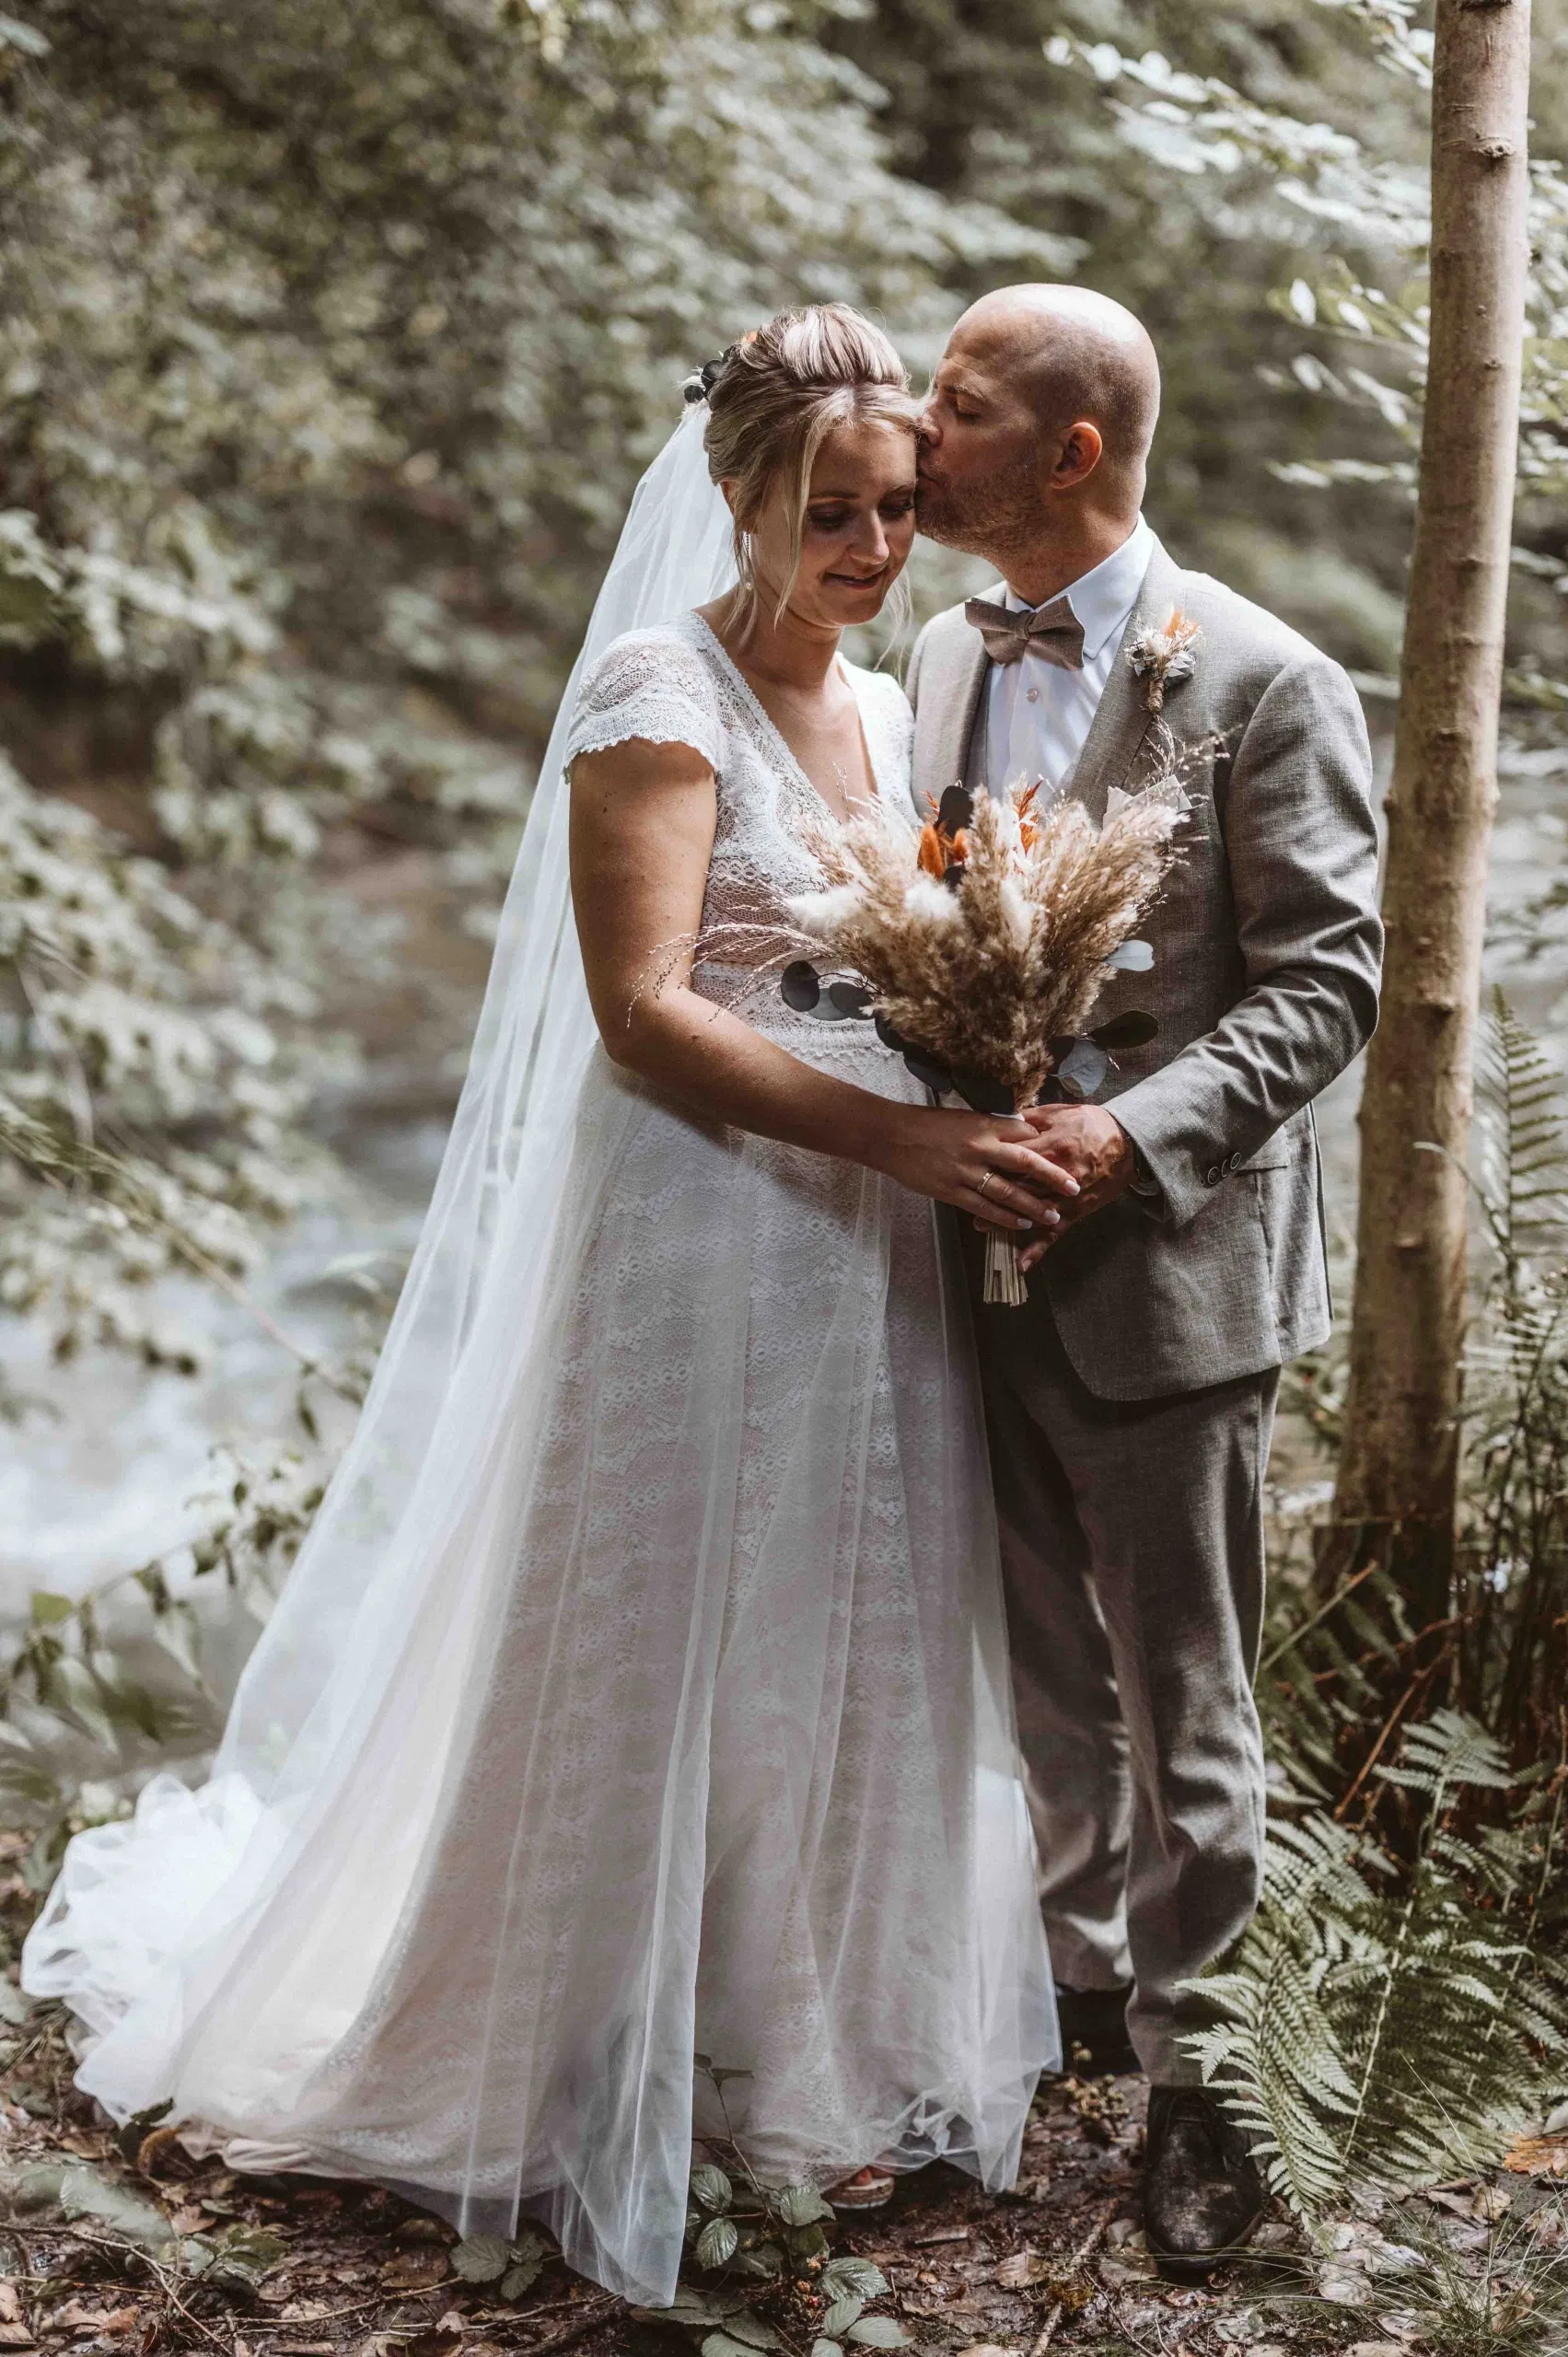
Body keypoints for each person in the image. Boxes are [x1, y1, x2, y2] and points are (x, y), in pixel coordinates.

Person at [24, 306, 1060, 2305]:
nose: (869, 548)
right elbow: (645, 1010)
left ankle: (788, 2051)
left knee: (835, 1598)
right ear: (734, 495)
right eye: (827, 513)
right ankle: (559, 2037)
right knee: (660, 1597)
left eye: (894, 510)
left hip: (870, 1233)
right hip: (702, 1213)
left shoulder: (887, 698)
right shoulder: (656, 688)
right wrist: (907, 1139)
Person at [909, 283, 1384, 2268]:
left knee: (1186, 1704)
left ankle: (1212, 2102)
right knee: (1044, 1684)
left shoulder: (1263, 679)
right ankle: (1083, 2001)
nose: (916, 431)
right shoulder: (939, 649)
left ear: (1070, 448)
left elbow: (1326, 983)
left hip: (1166, 1269)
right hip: (959, 1253)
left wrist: (1120, 1139)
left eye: (957, 401)